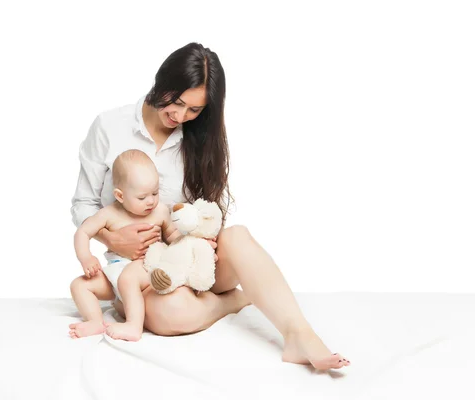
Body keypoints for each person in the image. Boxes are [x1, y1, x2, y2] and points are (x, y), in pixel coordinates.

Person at [70, 42, 350, 370]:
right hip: (146, 275)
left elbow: (207, 209)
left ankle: (299, 335)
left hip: (192, 261)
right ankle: (233, 301)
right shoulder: (109, 126)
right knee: (169, 314)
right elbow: (83, 203)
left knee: (239, 236)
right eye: (175, 102)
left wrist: (202, 234)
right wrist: (111, 240)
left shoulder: (198, 137)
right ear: (162, 82)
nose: (180, 116)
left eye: (194, 110)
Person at [69, 149, 181, 341]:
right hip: (115, 274)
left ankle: (134, 327)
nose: (151, 201)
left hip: (145, 269)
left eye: (155, 193)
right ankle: (95, 321)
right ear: (120, 196)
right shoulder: (109, 214)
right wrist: (86, 257)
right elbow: (82, 232)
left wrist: (187, 244)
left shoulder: (160, 212)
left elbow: (173, 235)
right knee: (79, 285)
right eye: (142, 197)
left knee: (128, 279)